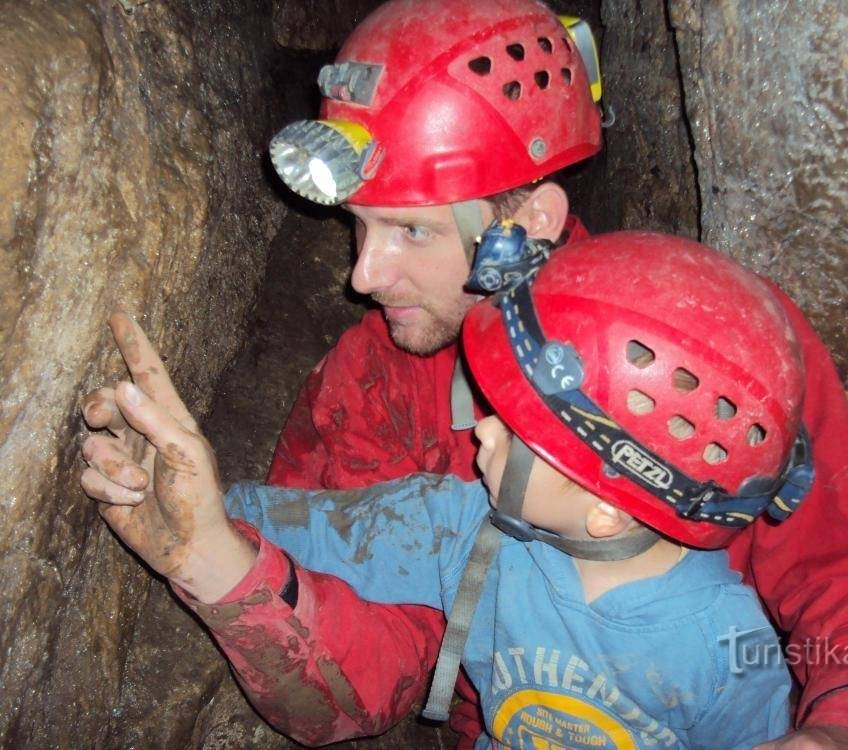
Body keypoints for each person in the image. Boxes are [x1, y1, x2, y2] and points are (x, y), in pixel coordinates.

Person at [81, 0, 848, 747]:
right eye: (359, 226)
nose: (363, 277)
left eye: (412, 231)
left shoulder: (718, 352)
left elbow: (838, 581)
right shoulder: (375, 379)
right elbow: (382, 672)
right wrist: (215, 559)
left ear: (532, 222)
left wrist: (846, 724)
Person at [84, 230, 806, 748]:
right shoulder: (466, 530)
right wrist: (203, 501)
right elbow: (327, 526)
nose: (481, 431)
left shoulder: (726, 654)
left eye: (519, 431)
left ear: (607, 510)